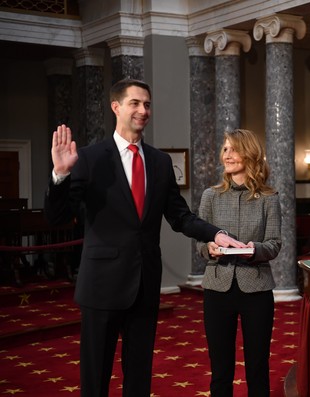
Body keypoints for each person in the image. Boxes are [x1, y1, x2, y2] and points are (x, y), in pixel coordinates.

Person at [44, 78, 246, 397]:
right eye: (135, 103)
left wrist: (217, 234)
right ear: (116, 107)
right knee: (95, 378)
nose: (143, 110)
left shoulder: (160, 162)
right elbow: (57, 219)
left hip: (144, 284)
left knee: (139, 377)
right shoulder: (90, 158)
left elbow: (180, 216)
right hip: (101, 285)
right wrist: (61, 175)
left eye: (147, 104)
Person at [196, 129, 282, 397]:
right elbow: (200, 243)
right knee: (220, 368)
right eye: (225, 149)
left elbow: (274, 245)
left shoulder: (269, 198)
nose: (227, 155)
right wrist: (209, 248)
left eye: (234, 149)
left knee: (257, 365)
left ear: (250, 153)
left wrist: (252, 250)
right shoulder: (210, 196)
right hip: (217, 289)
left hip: (256, 289)